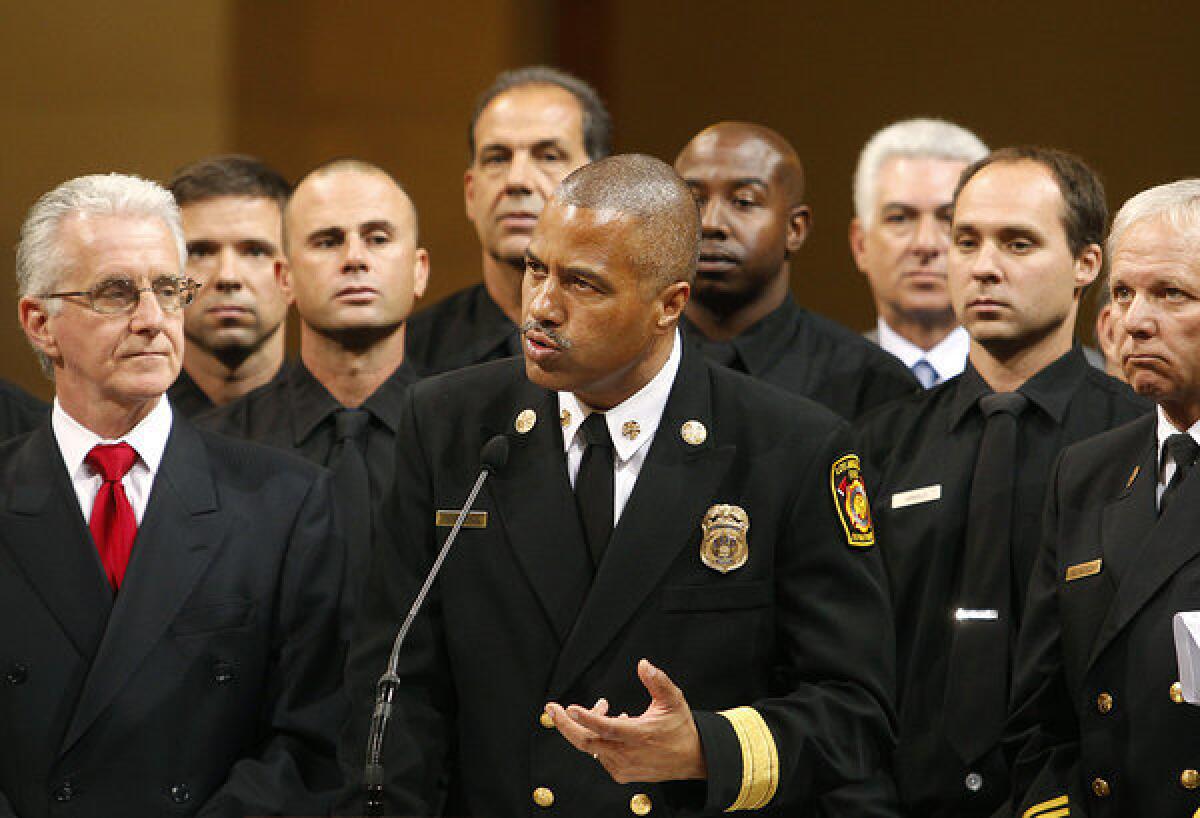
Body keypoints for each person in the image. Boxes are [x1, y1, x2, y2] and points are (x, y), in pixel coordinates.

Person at [339, 155, 897, 816]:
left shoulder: (791, 449)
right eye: (535, 268)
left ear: (670, 305)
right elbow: (397, 683)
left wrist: (706, 749)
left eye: (584, 283)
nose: (542, 306)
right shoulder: (452, 425)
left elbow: (853, 711)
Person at [2, 173, 346, 818]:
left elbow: (313, 741)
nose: (152, 320)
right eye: (115, 293)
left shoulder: (286, 502)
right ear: (40, 323)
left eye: (167, 289)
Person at [855, 147, 1148, 817]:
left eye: (1018, 243)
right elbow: (844, 662)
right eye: (968, 241)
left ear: (1087, 263)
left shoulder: (1143, 443)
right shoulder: (876, 445)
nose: (983, 266)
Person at [1006, 179, 1200, 816]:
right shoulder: (1085, 473)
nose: (1134, 322)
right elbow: (1041, 716)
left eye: (1171, 293)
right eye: (1123, 292)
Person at [201, 158, 427, 617]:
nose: (354, 259)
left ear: (419, 270)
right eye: (327, 241)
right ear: (285, 279)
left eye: (378, 239)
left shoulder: (470, 441)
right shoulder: (210, 449)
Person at [675, 121, 918, 420]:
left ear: (795, 229)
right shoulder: (623, 364)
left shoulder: (872, 384)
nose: (711, 223)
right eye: (694, 200)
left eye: (743, 202)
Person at [405, 65, 611, 375]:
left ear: (601, 186)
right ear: (471, 193)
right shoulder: (410, 357)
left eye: (548, 156)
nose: (517, 180)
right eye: (498, 158)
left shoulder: (650, 347)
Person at [850, 118, 988, 387]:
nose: (925, 244)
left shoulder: (1084, 383)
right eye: (900, 218)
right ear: (861, 245)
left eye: (950, 218)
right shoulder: (808, 386)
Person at [166, 154, 292, 415]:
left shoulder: (341, 432)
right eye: (200, 253)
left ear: (292, 275)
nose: (227, 277)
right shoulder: (121, 431)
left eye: (255, 252)